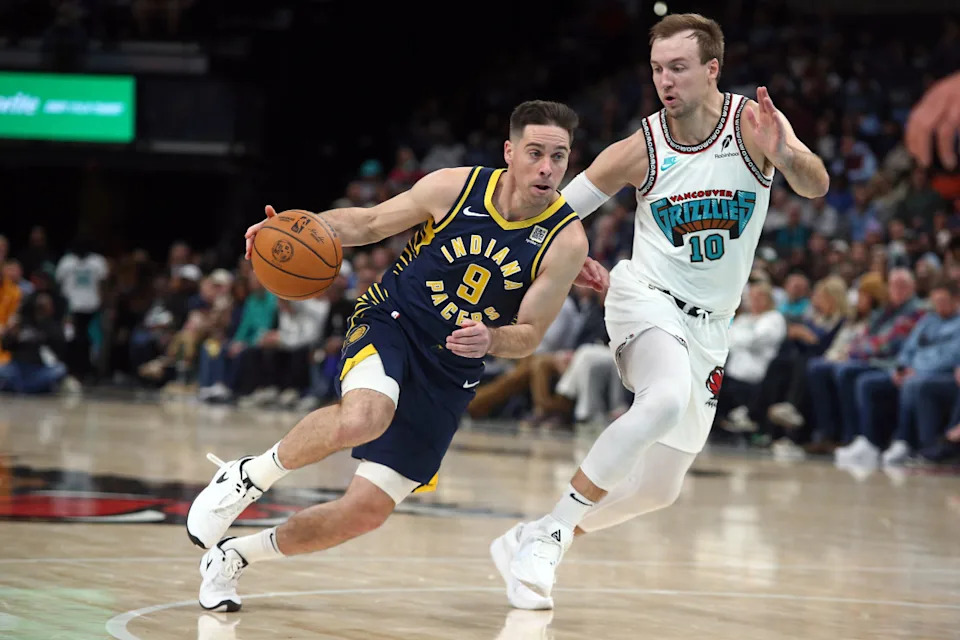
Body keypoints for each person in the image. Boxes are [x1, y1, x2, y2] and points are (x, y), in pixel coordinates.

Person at [184, 100, 600, 612]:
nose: (547, 168)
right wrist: (294, 228)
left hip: (451, 371)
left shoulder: (566, 239)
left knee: (364, 513)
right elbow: (368, 222)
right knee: (365, 416)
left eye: (558, 157)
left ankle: (235, 558)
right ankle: (247, 478)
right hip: (393, 321)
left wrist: (493, 339)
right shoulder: (456, 187)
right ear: (510, 152)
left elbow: (531, 332)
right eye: (535, 153)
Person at [491, 13, 830, 609]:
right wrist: (570, 256)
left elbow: (816, 184)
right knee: (666, 397)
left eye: (678, 67)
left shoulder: (755, 128)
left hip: (712, 327)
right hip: (645, 297)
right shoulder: (641, 147)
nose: (665, 80)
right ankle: (548, 536)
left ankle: (540, 534)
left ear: (711, 69)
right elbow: (560, 210)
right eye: (656, 69)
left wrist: (788, 154)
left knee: (659, 490)